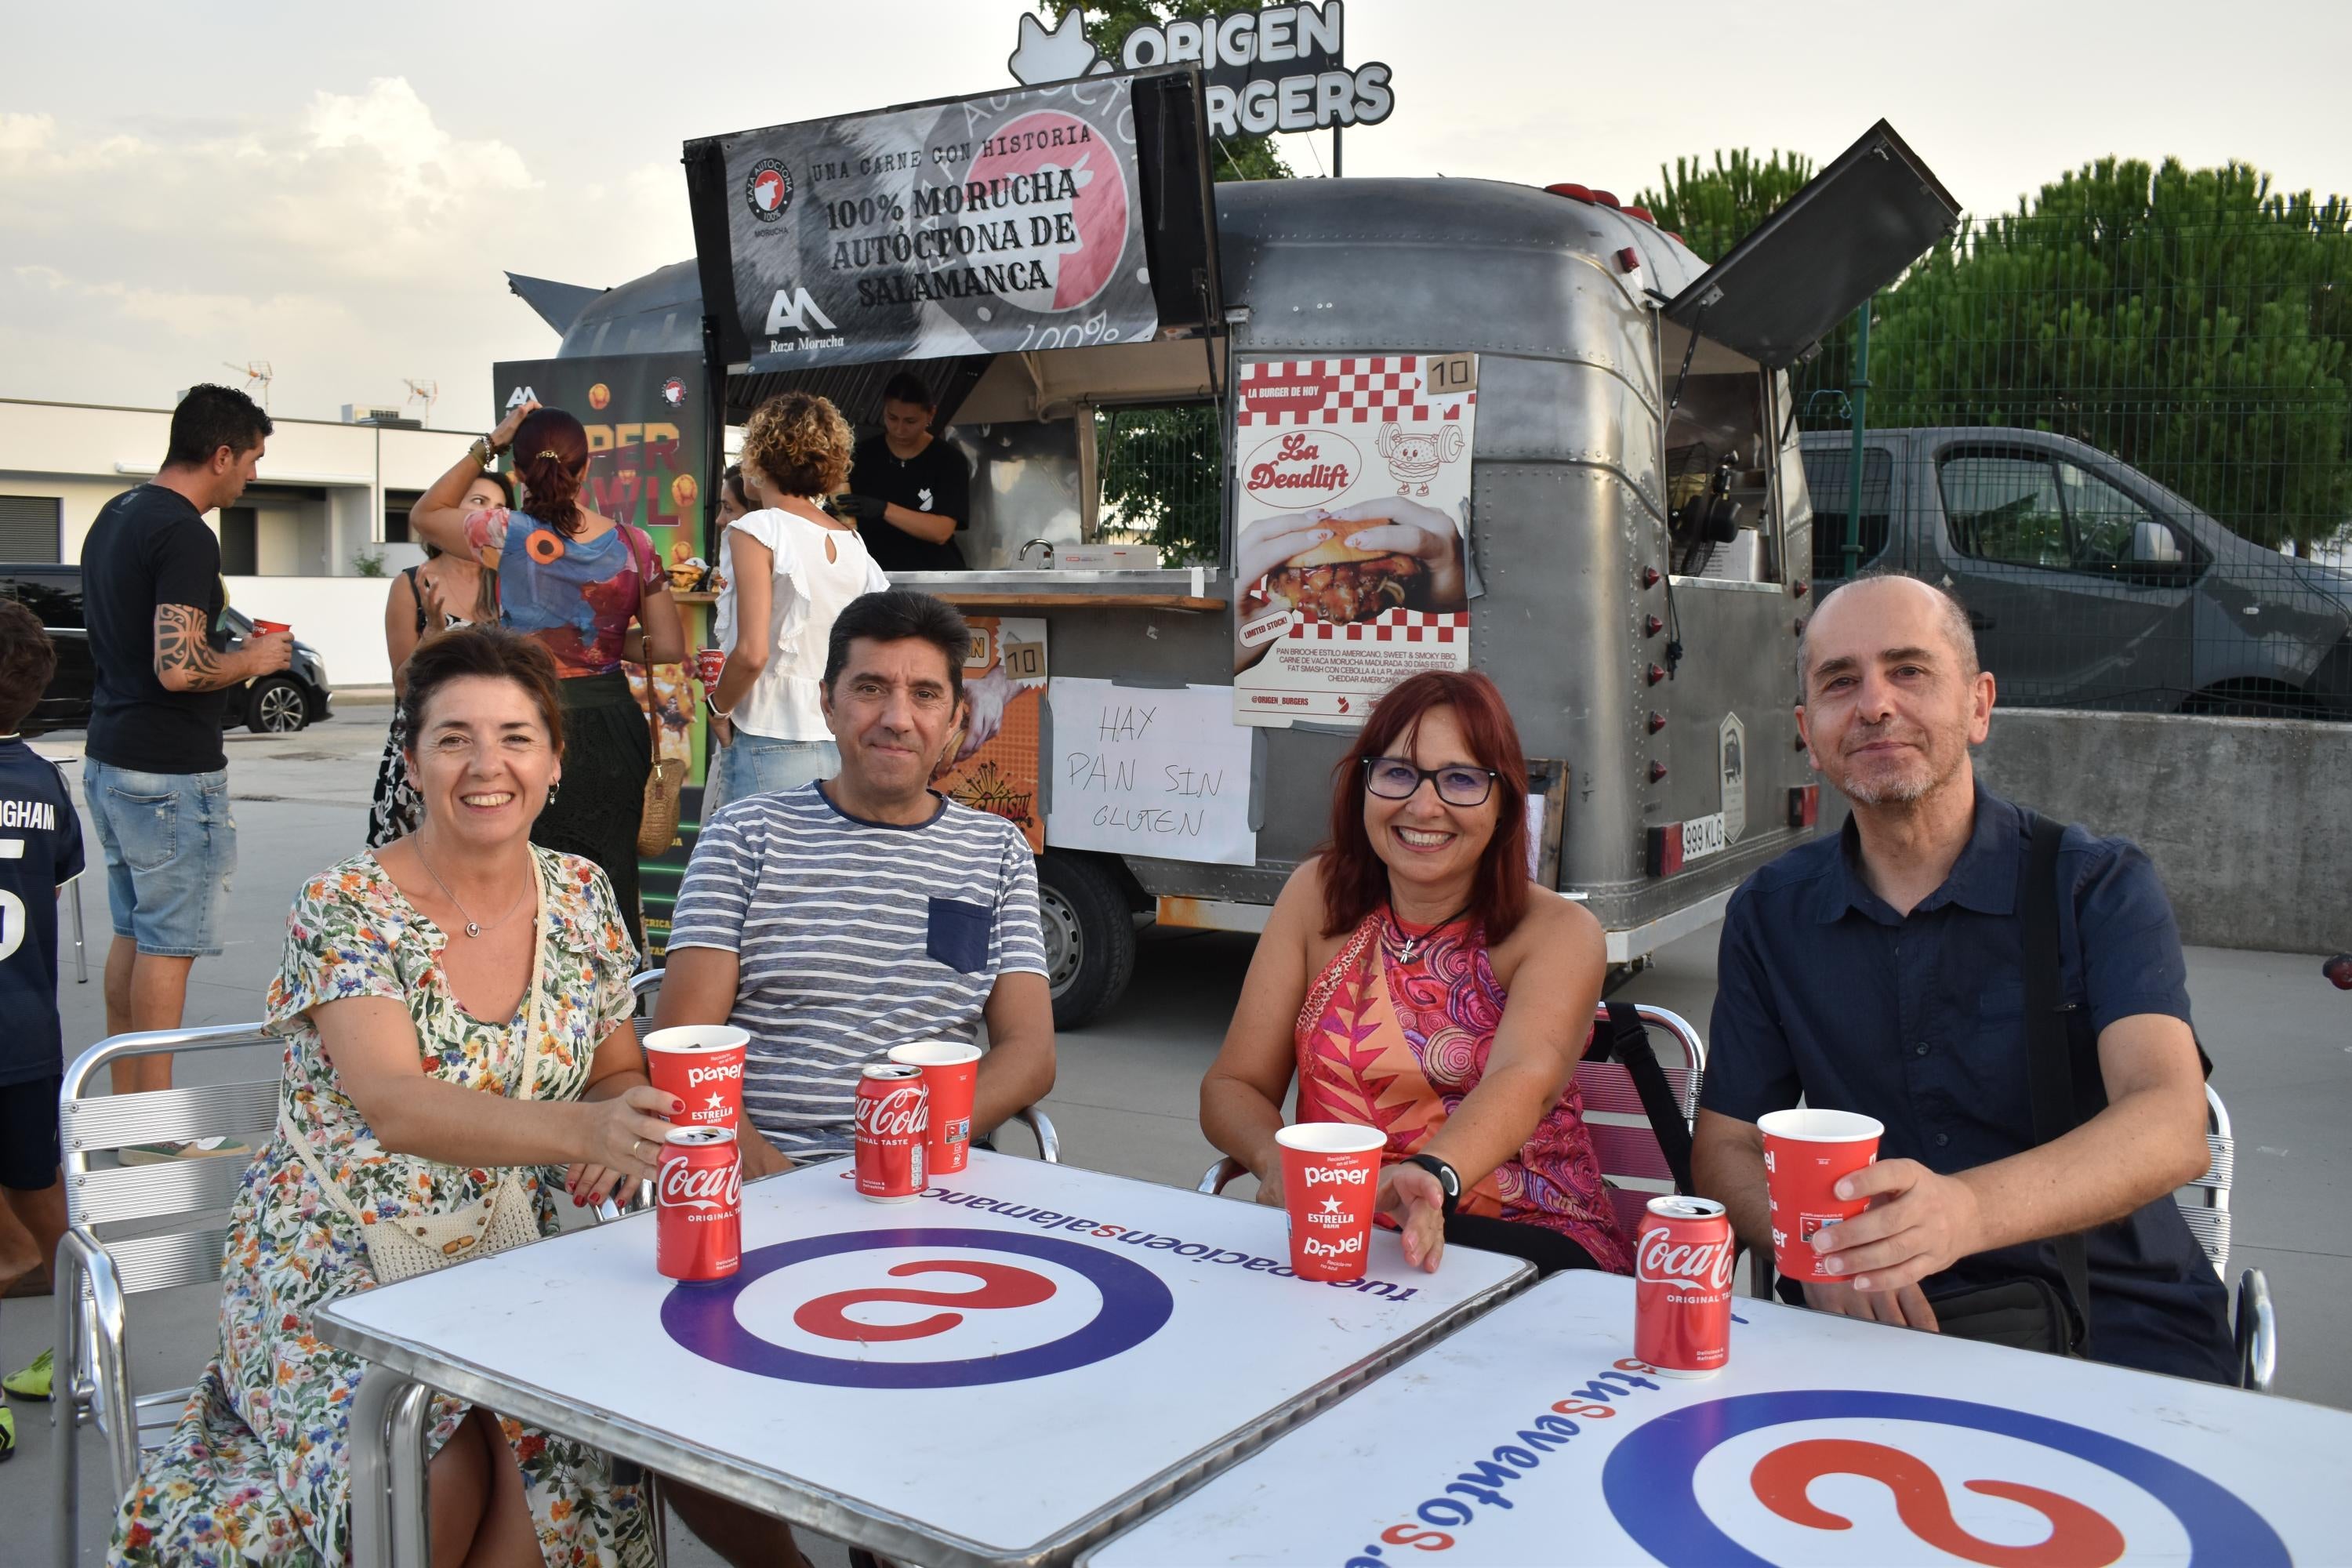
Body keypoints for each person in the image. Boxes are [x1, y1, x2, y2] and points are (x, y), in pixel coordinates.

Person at [108, 626, 673, 1566]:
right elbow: (394, 1105)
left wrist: (610, 1126)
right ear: (411, 760)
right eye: (454, 737)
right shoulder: (344, 903)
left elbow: (615, 1067)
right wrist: (578, 1125)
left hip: (504, 1260)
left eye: (516, 736)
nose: (486, 764)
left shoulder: (582, 894)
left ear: (554, 759)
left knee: (544, 1462)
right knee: (427, 1469)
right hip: (335, 1264)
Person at [1690, 571, 2234, 1381]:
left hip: (2114, 1328)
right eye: (1842, 681)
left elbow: (2170, 1120)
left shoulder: (2095, 885)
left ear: (1979, 705)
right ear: (1809, 730)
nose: (1874, 702)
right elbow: (1726, 1148)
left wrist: (1967, 1209)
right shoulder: (1772, 913)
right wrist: (1827, 1253)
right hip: (1867, 1328)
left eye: (1909, 670)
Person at [652, 590, 1054, 1567]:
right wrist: (790, 1183)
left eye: (924, 693)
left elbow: (1029, 1054)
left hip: (936, 1192)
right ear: (828, 702)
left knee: (1005, 1414)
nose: (896, 715)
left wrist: (898, 1166)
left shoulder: (995, 849)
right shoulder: (747, 836)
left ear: (958, 717)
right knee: (672, 1428)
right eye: (870, 686)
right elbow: (687, 1046)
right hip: (752, 1187)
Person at [1200, 670, 1632, 1277]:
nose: (1424, 806)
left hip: (1524, 1239)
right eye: (1399, 772)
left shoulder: (1557, 932)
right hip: (1339, 1235)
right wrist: (1275, 1161)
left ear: (1504, 800)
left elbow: (1524, 1078)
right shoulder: (1314, 898)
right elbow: (1232, 1087)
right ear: (1364, 785)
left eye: (1460, 779)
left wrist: (1431, 1176)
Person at [79, 383, 292, 1158]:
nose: (252, 479)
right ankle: (157, 1133)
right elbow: (178, 666)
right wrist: (256, 659)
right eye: (252, 460)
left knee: (134, 934)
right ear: (221, 453)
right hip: (168, 768)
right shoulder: (186, 535)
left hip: (110, 752)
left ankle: (124, 1110)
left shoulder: (118, 515)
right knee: (166, 943)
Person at [412, 400, 688, 950]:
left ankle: (531, 1004)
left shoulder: (501, 532)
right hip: (612, 723)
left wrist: (490, 441)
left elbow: (425, 514)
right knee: (612, 875)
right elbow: (668, 645)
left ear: (518, 473)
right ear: (586, 470)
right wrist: (602, 639)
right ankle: (620, 1010)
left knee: (526, 874)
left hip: (529, 721)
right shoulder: (636, 545)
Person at [702, 392, 887, 818]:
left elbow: (751, 654)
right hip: (837, 736)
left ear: (759, 456)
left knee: (754, 878)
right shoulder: (853, 542)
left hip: (767, 731)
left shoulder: (758, 528)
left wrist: (717, 707)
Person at [0, 603, 86, 1440]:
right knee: (45, 1192)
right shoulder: (41, 781)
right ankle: (80, 1348)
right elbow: (56, 876)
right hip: (28, 1031)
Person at [366, 475, 503, 848]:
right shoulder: (411, 584)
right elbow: (402, 686)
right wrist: (432, 636)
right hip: (429, 752)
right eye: (477, 501)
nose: (488, 514)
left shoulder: (512, 585)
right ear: (445, 512)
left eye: (498, 506)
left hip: (495, 754)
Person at [835, 372, 972, 572]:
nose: (899, 429)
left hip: (932, 574)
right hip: (876, 574)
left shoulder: (949, 460)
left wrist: (883, 509)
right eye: (892, 418)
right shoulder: (861, 456)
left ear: (930, 415)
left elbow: (941, 531)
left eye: (910, 421)